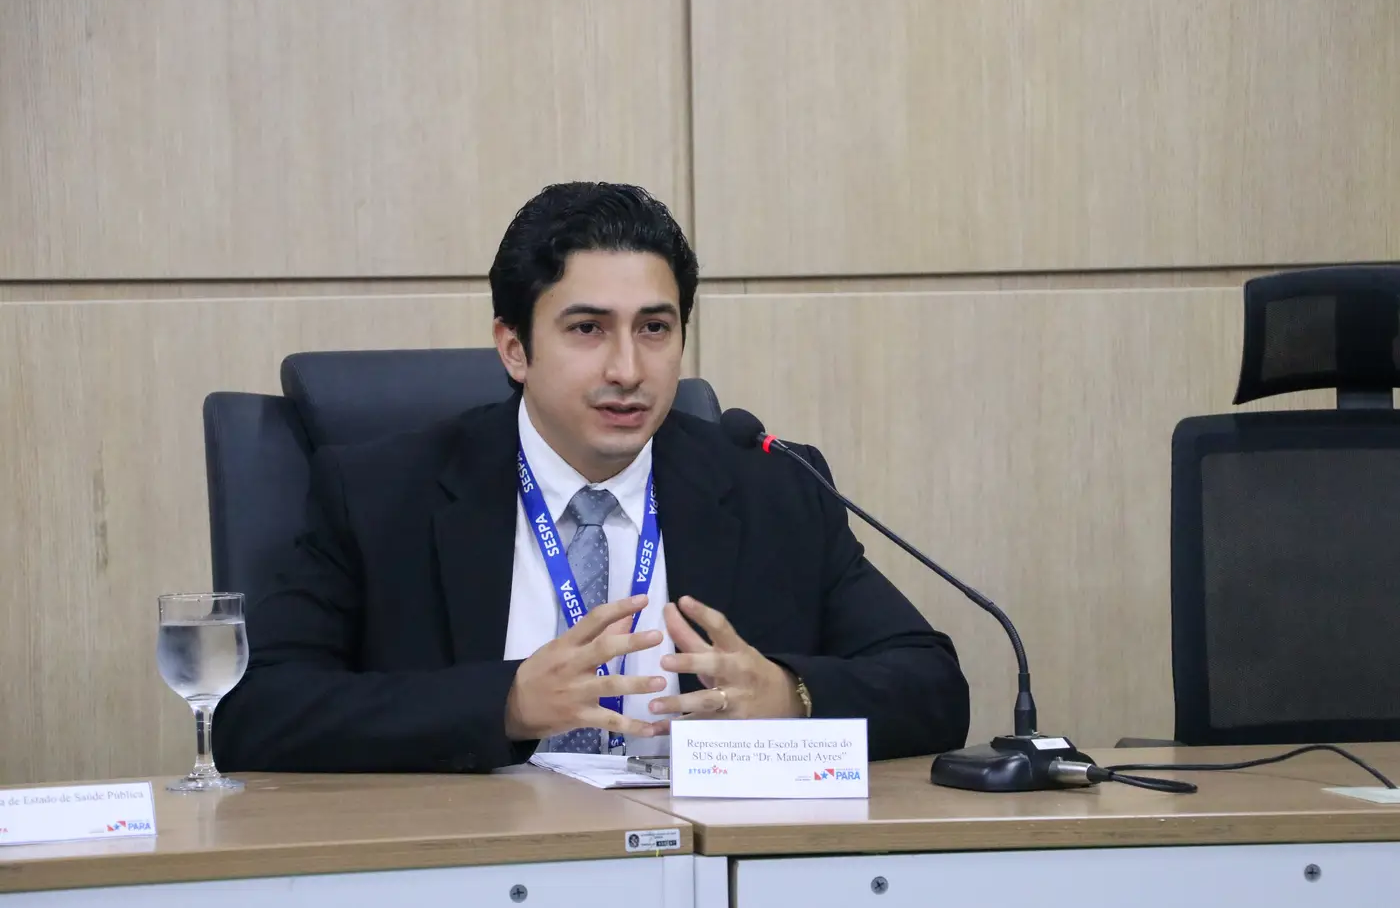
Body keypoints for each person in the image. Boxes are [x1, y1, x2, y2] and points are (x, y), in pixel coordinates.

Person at [213, 182, 970, 773]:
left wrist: (791, 697)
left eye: (654, 328)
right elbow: (254, 709)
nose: (628, 369)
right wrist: (505, 703)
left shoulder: (773, 487)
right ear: (514, 348)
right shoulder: (382, 494)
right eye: (587, 329)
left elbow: (933, 685)